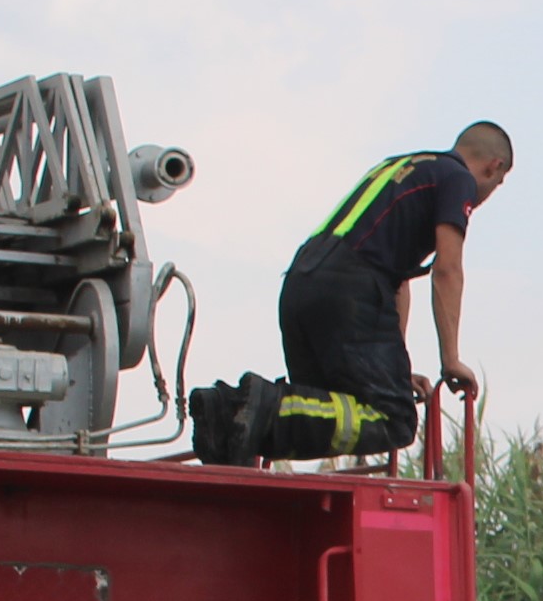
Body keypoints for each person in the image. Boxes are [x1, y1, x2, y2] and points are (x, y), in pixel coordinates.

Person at [195, 120, 513, 465]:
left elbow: (399, 281)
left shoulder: (402, 166)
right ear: (494, 167)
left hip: (302, 281)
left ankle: (222, 413)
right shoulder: (458, 179)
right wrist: (450, 359)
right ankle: (253, 401)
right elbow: (448, 270)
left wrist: (394, 370)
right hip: (352, 288)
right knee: (395, 418)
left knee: (320, 408)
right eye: (498, 182)